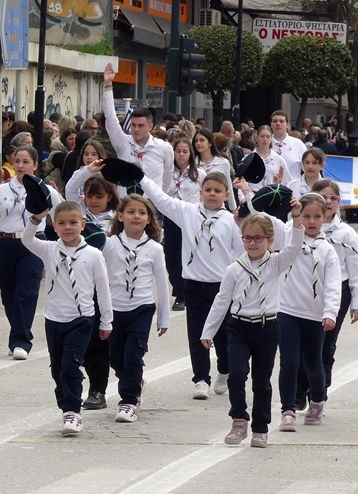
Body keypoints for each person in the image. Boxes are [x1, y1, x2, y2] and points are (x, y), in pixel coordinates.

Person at [202, 213, 303, 447]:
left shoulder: (276, 263)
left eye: (258, 238)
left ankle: (260, 427)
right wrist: (208, 331)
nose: (252, 243)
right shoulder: (234, 269)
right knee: (236, 375)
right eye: (247, 238)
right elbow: (221, 300)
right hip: (239, 327)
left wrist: (297, 219)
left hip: (266, 327)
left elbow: (295, 247)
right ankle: (239, 420)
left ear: (270, 240)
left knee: (261, 381)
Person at [139, 172, 243, 399]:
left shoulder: (230, 221)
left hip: (222, 287)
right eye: (208, 190)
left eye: (218, 191)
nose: (212, 194)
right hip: (194, 285)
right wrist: (142, 178)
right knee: (197, 333)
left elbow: (242, 252)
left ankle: (224, 369)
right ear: (200, 192)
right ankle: (201, 379)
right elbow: (162, 200)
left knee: (223, 335)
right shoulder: (187, 212)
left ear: (226, 195)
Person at [22, 201, 113, 436]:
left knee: (70, 366)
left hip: (81, 319)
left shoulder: (93, 255)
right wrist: (36, 219)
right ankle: (66, 402)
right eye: (62, 223)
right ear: (54, 226)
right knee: (57, 369)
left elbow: (103, 290)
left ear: (83, 224)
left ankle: (72, 411)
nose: (68, 227)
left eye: (73, 222)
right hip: (54, 319)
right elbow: (27, 240)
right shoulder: (50, 249)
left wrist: (106, 321)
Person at [0, 146, 62, 359]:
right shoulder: (3, 189)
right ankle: (18, 333)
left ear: (35, 165)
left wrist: (58, 197)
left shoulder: (44, 190)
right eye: (17, 161)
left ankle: (21, 341)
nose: (21, 166)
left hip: (34, 243)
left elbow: (61, 217)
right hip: (8, 243)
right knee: (9, 296)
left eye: (25, 162)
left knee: (27, 292)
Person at [296, 180, 358, 408]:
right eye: (323, 197)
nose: (328, 202)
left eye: (333, 198)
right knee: (301, 344)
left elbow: (356, 269)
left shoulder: (346, 233)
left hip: (337, 294)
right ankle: (300, 387)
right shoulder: (298, 228)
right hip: (304, 293)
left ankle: (319, 391)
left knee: (326, 344)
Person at [276, 193, 341, 432]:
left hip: (314, 315)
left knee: (314, 364)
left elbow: (333, 284)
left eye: (317, 217)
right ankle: (287, 410)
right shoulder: (290, 238)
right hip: (287, 310)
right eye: (306, 216)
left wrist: (330, 312)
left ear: (325, 217)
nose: (311, 221)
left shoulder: (327, 250)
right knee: (289, 362)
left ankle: (317, 401)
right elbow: (265, 217)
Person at [101, 194, 169, 423]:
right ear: (120, 216)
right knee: (116, 358)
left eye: (142, 213)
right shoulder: (110, 244)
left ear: (149, 218)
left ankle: (129, 401)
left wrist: (163, 318)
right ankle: (135, 380)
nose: (136, 216)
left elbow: (162, 283)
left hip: (142, 308)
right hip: (114, 309)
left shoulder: (154, 248)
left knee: (133, 354)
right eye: (131, 212)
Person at [65, 161, 120, 409]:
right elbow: (70, 188)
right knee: (93, 341)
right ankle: (97, 389)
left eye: (99, 196)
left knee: (115, 342)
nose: (94, 201)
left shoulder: (119, 219)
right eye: (89, 196)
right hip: (85, 288)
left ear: (110, 196)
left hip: (114, 288)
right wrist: (89, 170)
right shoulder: (80, 217)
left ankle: (130, 377)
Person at [102, 63, 173, 192]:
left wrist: (159, 199)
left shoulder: (164, 148)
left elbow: (167, 178)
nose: (136, 129)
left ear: (150, 127)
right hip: (125, 203)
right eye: (133, 125)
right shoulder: (123, 143)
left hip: (151, 203)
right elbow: (111, 119)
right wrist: (108, 85)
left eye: (141, 126)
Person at [165, 137, 200, 312]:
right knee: (171, 256)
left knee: (185, 254)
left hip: (190, 218)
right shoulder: (167, 172)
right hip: (171, 218)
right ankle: (177, 285)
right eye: (178, 151)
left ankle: (182, 293)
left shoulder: (199, 174)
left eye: (185, 151)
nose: (181, 155)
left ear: (190, 154)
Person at [194, 129, 236, 210]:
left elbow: (228, 186)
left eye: (202, 140)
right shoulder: (192, 163)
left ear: (210, 143)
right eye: (196, 141)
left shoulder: (223, 162)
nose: (198, 143)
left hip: (217, 207)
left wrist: (233, 209)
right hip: (197, 208)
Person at [270, 110, 307, 180]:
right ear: (271, 125)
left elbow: (307, 169)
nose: (278, 123)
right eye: (275, 121)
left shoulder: (298, 144)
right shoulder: (265, 144)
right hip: (270, 186)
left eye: (281, 121)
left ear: (287, 125)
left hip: (293, 186)